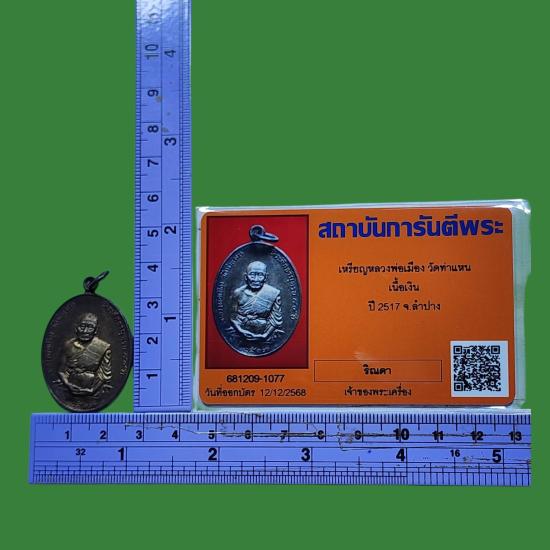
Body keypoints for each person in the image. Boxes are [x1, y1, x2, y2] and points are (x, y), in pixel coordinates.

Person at [59, 313, 112, 395]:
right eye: (82, 326)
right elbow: (61, 370)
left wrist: (92, 391)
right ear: (76, 327)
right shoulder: (68, 345)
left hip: (92, 388)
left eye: (90, 327)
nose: (85, 331)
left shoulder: (102, 347)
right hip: (69, 387)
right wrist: (67, 384)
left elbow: (103, 376)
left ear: (96, 330)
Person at [230, 261, 283, 341]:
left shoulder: (273, 293)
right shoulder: (238, 293)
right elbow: (233, 316)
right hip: (239, 331)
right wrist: (240, 331)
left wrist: (265, 336)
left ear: (265, 277)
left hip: (264, 332)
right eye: (252, 275)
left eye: (260, 275)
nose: (256, 279)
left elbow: (276, 320)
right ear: (246, 277)